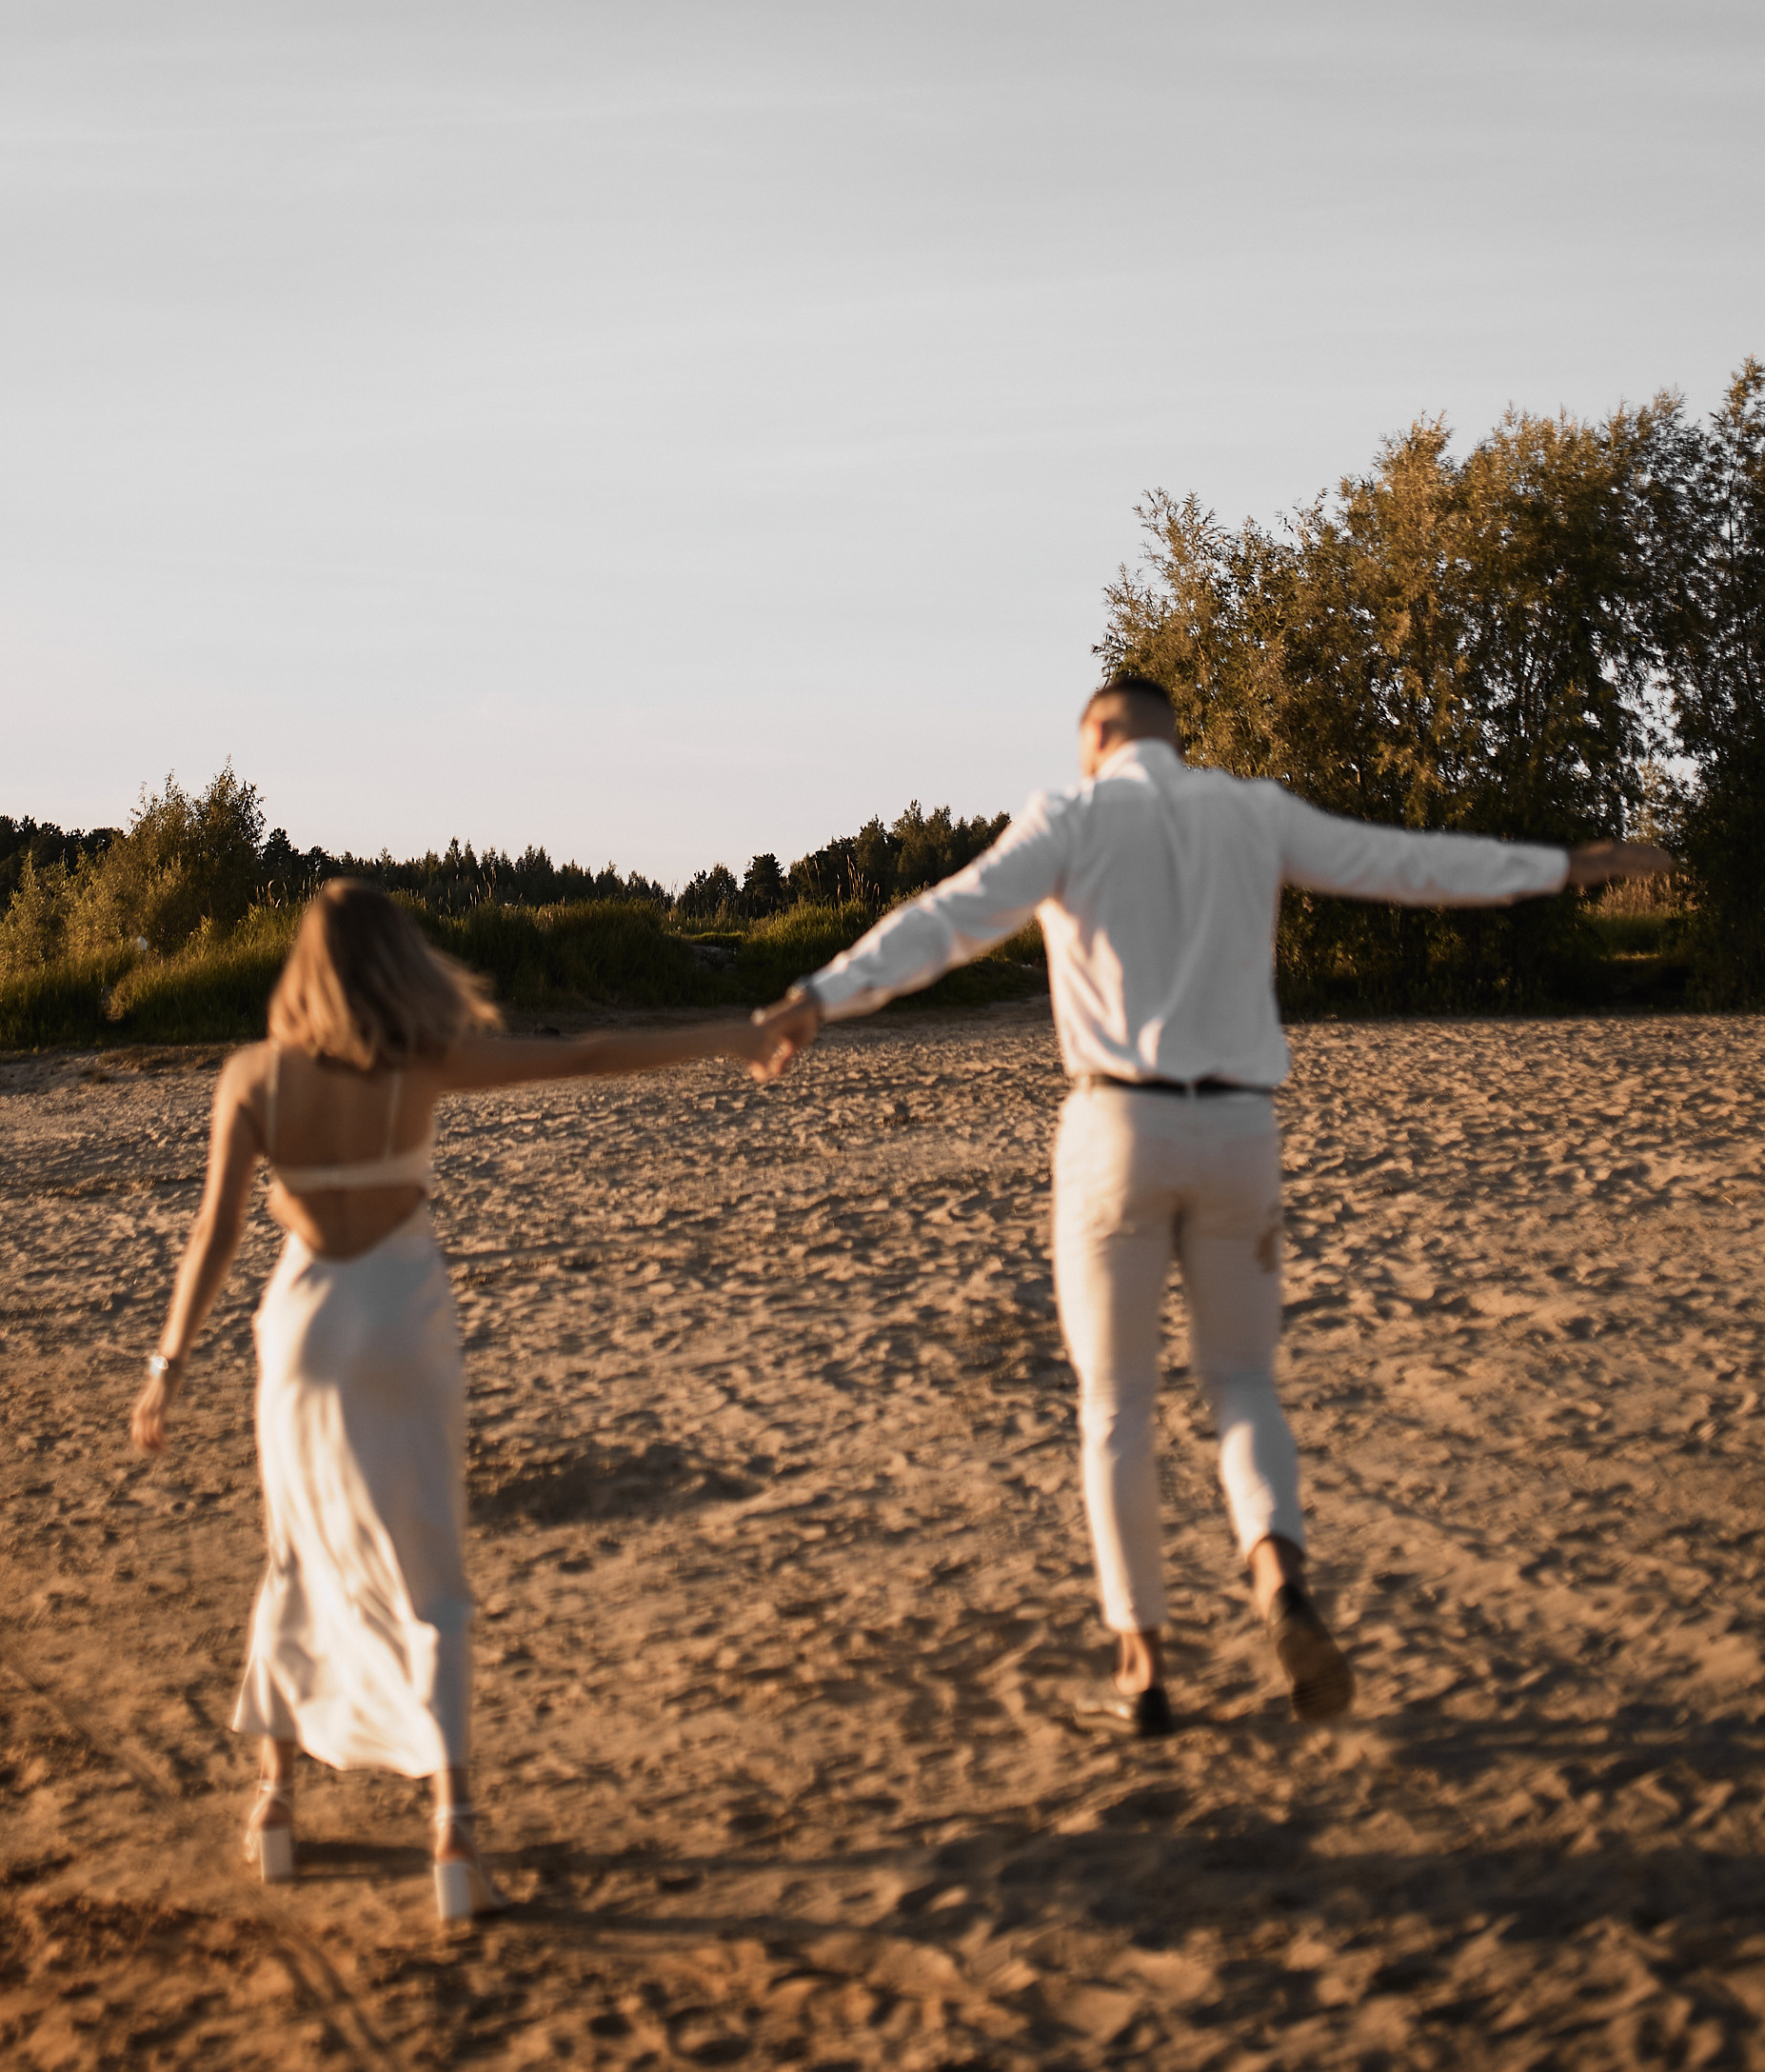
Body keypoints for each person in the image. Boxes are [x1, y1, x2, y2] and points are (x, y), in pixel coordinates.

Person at [755, 675, 1671, 1736]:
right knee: (1240, 1381)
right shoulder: (1249, 809)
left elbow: (945, 921)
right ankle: (1278, 1579)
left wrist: (818, 994)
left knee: (1115, 1406)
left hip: (1115, 1131)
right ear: (1172, 735)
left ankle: (1142, 1661)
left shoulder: (1071, 814)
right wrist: (1567, 864)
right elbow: (1407, 862)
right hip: (1239, 1129)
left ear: (1096, 734)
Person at [129, 879, 815, 1921]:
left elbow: (213, 1234)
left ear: (302, 963)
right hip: (398, 1311)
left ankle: (274, 1804)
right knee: (428, 1572)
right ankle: (453, 1831)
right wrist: (734, 1032)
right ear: (393, 958)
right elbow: (583, 1055)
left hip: (303, 1319)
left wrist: (165, 1364)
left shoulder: (252, 1075)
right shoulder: (422, 1058)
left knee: (296, 1551)